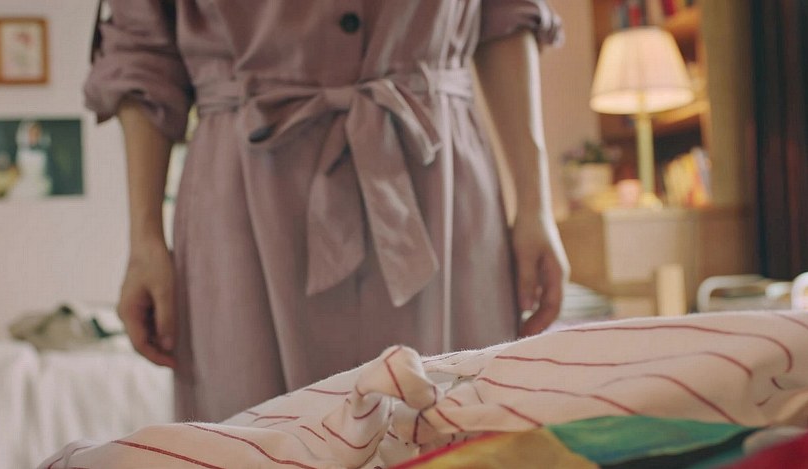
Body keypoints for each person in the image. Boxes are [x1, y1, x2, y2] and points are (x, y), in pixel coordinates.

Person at [85, 0, 569, 423]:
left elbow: (506, 15)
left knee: (459, 430)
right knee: (256, 437)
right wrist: (145, 240)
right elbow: (141, 53)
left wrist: (535, 205)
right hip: (244, 204)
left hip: (441, 189)